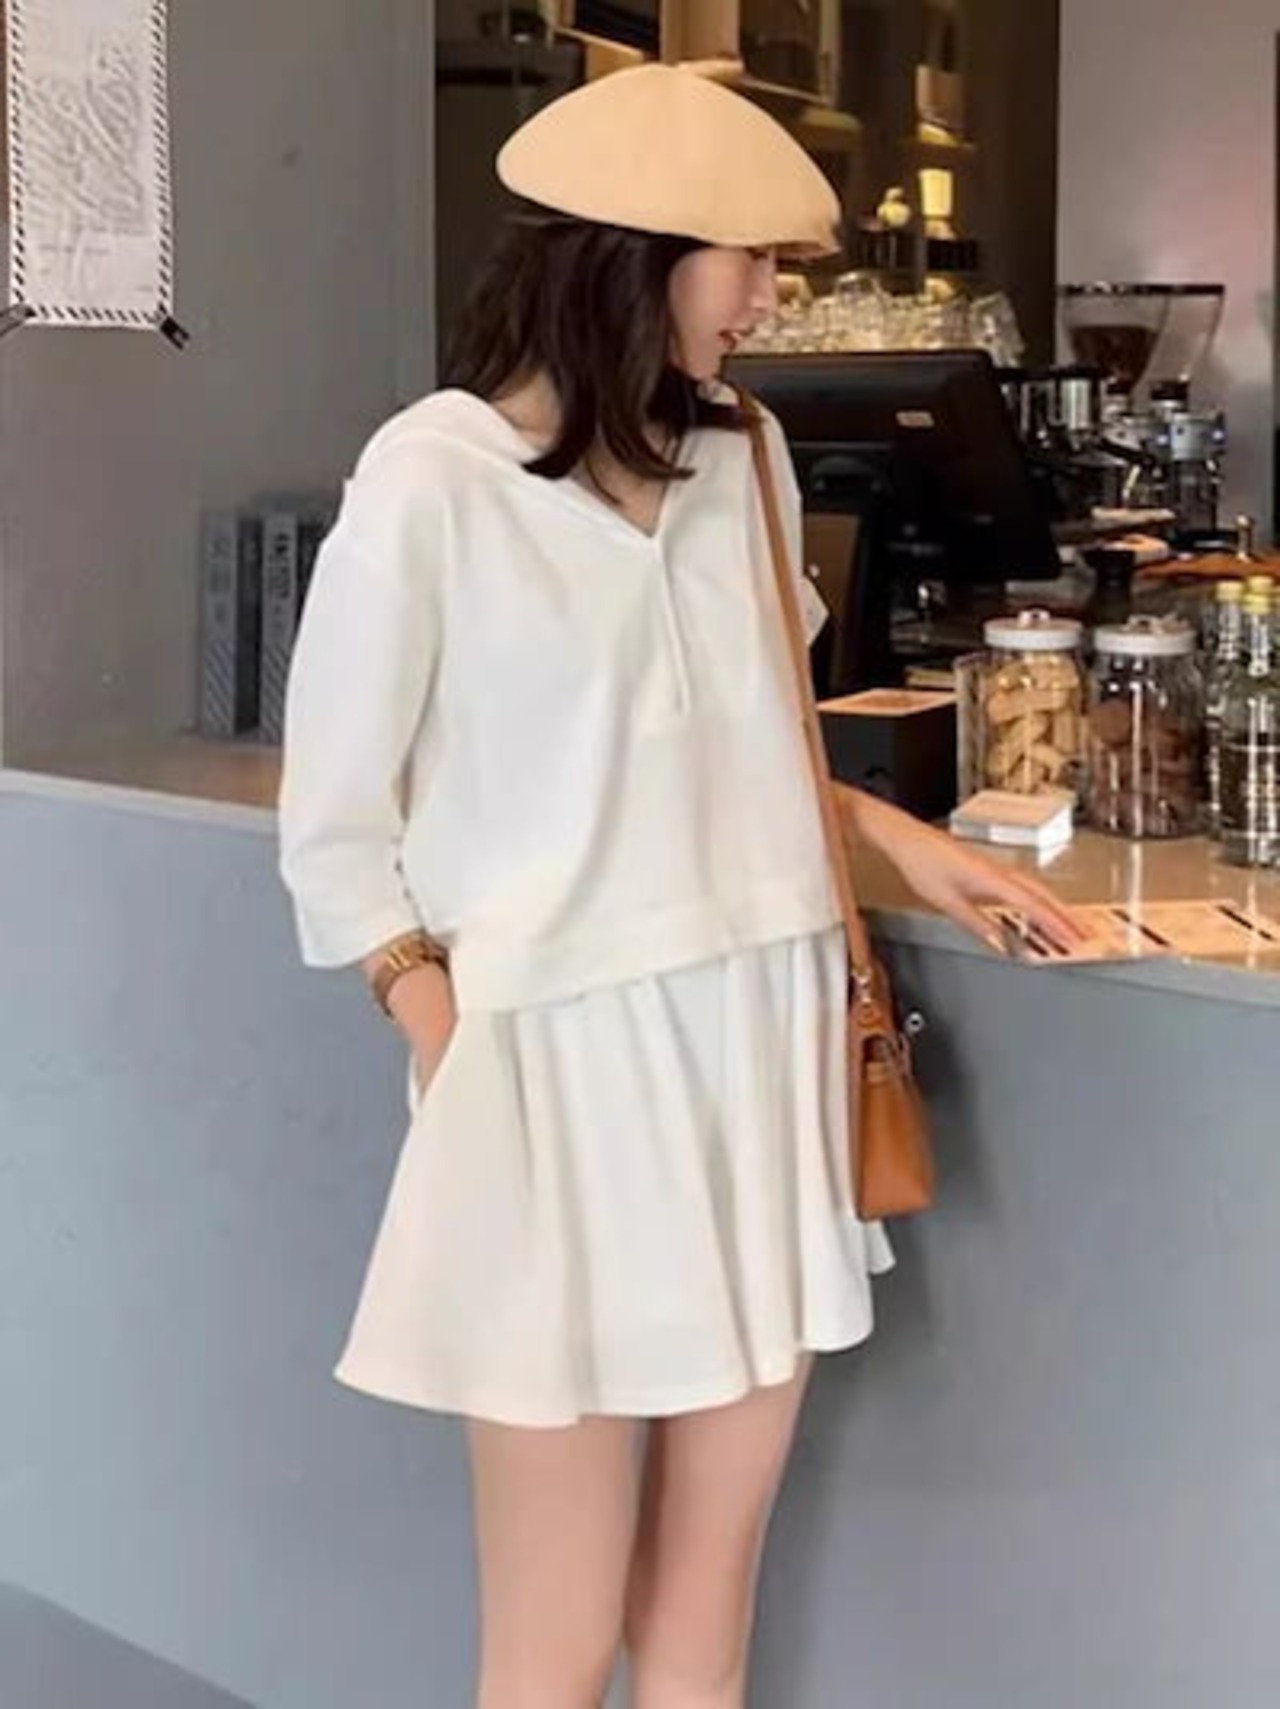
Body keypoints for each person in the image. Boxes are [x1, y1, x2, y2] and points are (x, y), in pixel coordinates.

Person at [278, 62, 1076, 1709]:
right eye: (751, 260)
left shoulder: (748, 454)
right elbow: (337, 825)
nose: (772, 301)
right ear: (632, 254)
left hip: (757, 1040)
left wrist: (915, 847)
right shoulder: (432, 477)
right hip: (556, 1070)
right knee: (555, 1640)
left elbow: (743, 746)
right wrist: (447, 1036)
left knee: (705, 1613)